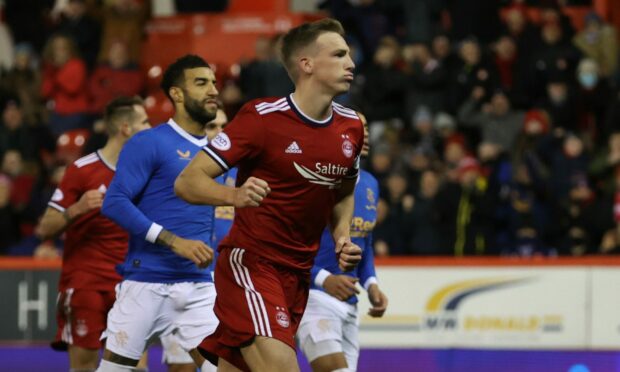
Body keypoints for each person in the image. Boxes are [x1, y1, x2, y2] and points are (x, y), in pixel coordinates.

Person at [175, 18, 364, 372]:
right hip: (251, 264)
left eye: (349, 55)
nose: (350, 63)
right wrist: (235, 196)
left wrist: (342, 236)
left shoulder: (351, 127)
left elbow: (344, 191)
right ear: (307, 64)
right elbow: (187, 181)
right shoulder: (261, 118)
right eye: (339, 54)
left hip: (298, 276)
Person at [95, 55, 219, 372]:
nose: (213, 90)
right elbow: (115, 202)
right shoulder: (149, 142)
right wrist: (173, 241)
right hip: (146, 283)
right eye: (201, 82)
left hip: (200, 286)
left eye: (214, 82)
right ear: (176, 93)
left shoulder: (220, 152)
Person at [35, 96, 151, 372]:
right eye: (145, 121)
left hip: (131, 284)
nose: (151, 127)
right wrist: (77, 208)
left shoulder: (146, 172)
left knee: (135, 367)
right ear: (126, 127)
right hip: (87, 283)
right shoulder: (82, 170)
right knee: (85, 367)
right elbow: (44, 228)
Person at [297, 114, 388, 372]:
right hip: (312, 298)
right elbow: (287, 245)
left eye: (367, 127)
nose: (366, 134)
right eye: (358, 128)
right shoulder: (315, 181)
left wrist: (372, 284)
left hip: (350, 306)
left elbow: (365, 241)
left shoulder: (370, 183)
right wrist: (324, 279)